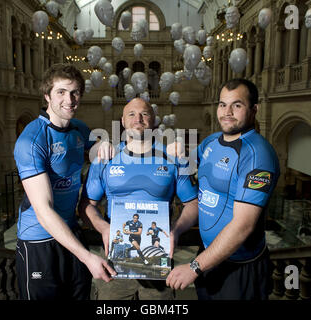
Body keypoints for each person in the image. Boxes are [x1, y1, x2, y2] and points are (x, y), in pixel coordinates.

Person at [166, 78, 280, 300]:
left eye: (237, 105)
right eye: (222, 104)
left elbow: (242, 226)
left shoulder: (258, 155)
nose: (227, 112)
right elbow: (183, 166)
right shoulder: (211, 142)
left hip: (240, 268)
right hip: (209, 257)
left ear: (254, 109)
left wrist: (193, 268)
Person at [13, 63, 116, 300]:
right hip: (39, 239)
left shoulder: (78, 128)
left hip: (71, 230)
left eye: (75, 92)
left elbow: (100, 147)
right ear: (47, 95)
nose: (69, 100)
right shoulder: (31, 140)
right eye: (61, 92)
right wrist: (88, 257)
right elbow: (43, 211)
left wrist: (104, 144)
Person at [79, 97, 198, 300]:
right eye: (131, 114)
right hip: (114, 263)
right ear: (123, 122)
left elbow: (192, 203)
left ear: (153, 120)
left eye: (145, 114)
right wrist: (103, 228)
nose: (138, 119)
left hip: (158, 259)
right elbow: (86, 206)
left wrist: (175, 231)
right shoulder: (106, 157)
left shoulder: (172, 157)